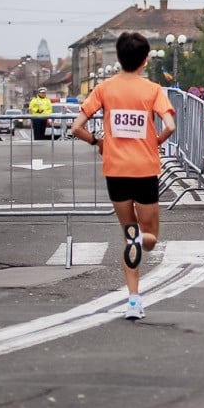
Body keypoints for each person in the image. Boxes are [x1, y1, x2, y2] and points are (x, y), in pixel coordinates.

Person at [70, 31, 176, 321]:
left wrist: (97, 142)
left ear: (118, 58)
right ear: (145, 60)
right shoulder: (153, 90)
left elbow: (76, 126)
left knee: (129, 233)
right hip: (144, 169)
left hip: (115, 171)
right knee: (150, 236)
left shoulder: (104, 89)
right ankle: (138, 245)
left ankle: (133, 300)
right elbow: (169, 125)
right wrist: (155, 141)